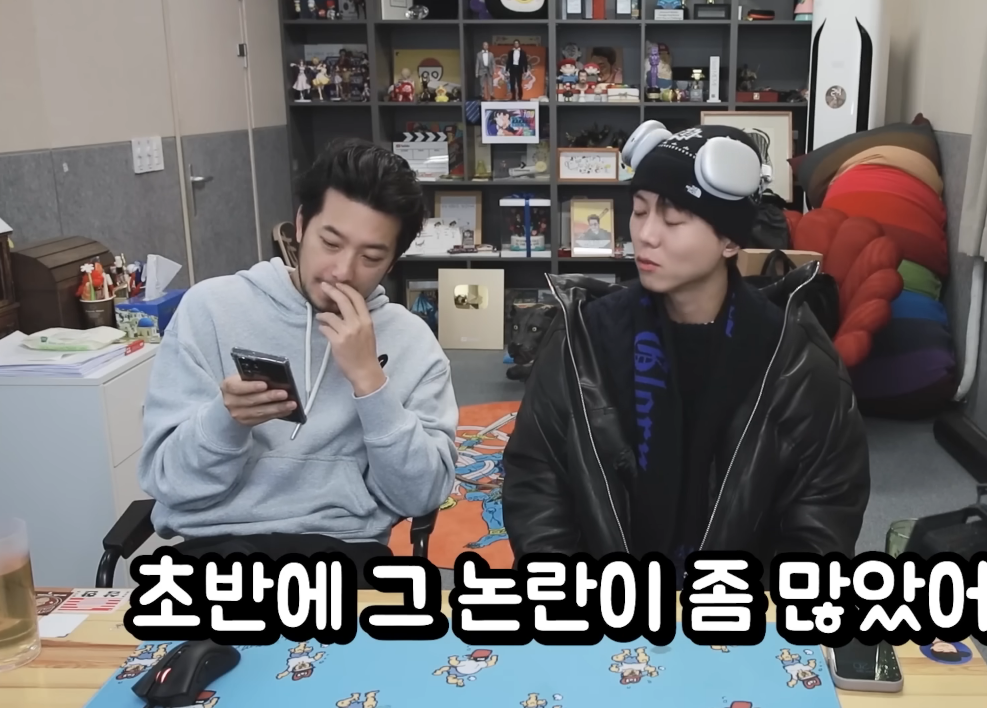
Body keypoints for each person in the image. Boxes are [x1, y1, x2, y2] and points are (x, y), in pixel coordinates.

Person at [502, 122, 870, 583]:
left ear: (730, 240)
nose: (646, 234)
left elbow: (825, 508)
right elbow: (536, 477)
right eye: (639, 211)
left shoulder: (793, 361)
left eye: (673, 219)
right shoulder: (584, 339)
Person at [138, 139, 459, 584]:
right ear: (302, 225)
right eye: (330, 242)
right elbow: (168, 483)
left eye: (370, 257)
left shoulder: (411, 342)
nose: (342, 271)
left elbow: (420, 496)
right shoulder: (210, 309)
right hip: (216, 546)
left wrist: (371, 382)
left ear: (391, 263)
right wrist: (225, 421)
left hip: (347, 550)